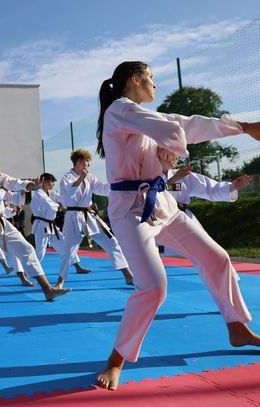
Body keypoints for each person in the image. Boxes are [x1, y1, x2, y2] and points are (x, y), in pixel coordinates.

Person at [94, 60, 260, 391]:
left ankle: (237, 327)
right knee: (153, 288)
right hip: (130, 210)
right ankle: (116, 359)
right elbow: (174, 131)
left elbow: (183, 124)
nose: (155, 85)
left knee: (217, 259)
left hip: (163, 204)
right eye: (151, 78)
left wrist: (242, 126)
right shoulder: (120, 110)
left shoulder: (143, 116)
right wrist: (170, 149)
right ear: (134, 79)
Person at [0, 145, 71, 306]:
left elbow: (14, 182)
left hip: (0, 221)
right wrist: (8, 193)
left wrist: (31, 185)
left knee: (27, 249)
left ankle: (47, 289)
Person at [57, 149, 133, 288]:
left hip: (89, 217)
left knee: (112, 242)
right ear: (79, 161)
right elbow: (67, 198)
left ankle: (128, 275)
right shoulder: (67, 178)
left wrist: (120, 187)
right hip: (73, 217)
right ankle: (60, 282)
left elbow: (103, 188)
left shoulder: (90, 178)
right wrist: (80, 179)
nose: (88, 165)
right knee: (68, 250)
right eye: (87, 162)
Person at [157, 153, 251, 256]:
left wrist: (232, 187)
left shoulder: (184, 177)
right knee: (157, 254)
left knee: (212, 253)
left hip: (182, 219)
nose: (175, 157)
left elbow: (210, 189)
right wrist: (172, 180)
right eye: (171, 153)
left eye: (177, 154)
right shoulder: (143, 178)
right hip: (156, 221)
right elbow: (151, 192)